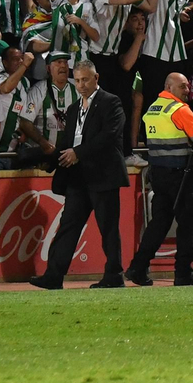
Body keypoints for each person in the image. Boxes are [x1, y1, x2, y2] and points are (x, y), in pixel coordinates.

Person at [31, 60, 128, 289]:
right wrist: (52, 162)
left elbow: (109, 136)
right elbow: (67, 142)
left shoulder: (111, 102)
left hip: (103, 176)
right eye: (78, 80)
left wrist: (78, 153)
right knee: (68, 225)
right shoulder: (74, 109)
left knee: (108, 229)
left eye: (85, 79)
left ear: (96, 78)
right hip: (78, 177)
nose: (81, 85)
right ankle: (54, 276)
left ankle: (114, 275)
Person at [125, 71, 193, 287]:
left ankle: (137, 267)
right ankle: (183, 273)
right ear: (169, 87)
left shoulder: (153, 108)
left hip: (158, 174)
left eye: (187, 86)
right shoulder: (180, 109)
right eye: (182, 86)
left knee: (159, 223)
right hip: (181, 175)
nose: (187, 90)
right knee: (187, 225)